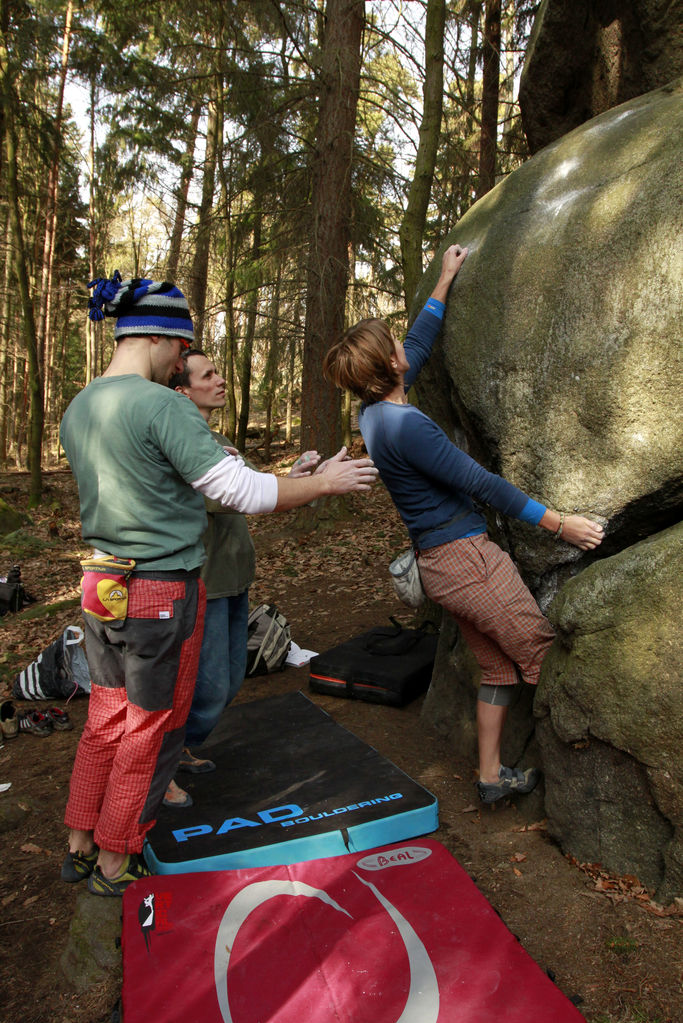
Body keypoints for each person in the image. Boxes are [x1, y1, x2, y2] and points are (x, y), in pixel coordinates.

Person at [60, 272, 378, 895]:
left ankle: (78, 843)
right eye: (182, 348)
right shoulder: (161, 404)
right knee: (148, 726)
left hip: (101, 584)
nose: (183, 360)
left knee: (104, 717)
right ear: (158, 337)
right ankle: (115, 862)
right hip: (158, 589)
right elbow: (239, 490)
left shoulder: (82, 404)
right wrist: (322, 484)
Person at [323, 244, 604, 804]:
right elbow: (483, 484)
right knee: (542, 651)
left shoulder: (374, 413)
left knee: (499, 668)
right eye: (393, 345)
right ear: (388, 366)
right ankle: (587, 786)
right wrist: (560, 524)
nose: (404, 346)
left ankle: (490, 776)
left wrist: (447, 277)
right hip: (466, 559)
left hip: (441, 564)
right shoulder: (408, 429)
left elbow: (420, 344)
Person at [163, 350, 325, 807]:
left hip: (235, 577)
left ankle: (179, 749)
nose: (219, 380)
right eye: (208, 375)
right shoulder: (181, 441)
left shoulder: (216, 438)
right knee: (209, 684)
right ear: (182, 389)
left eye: (218, 372)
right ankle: (164, 760)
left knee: (231, 679)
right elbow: (225, 497)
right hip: (204, 582)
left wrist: (289, 479)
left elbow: (249, 494)